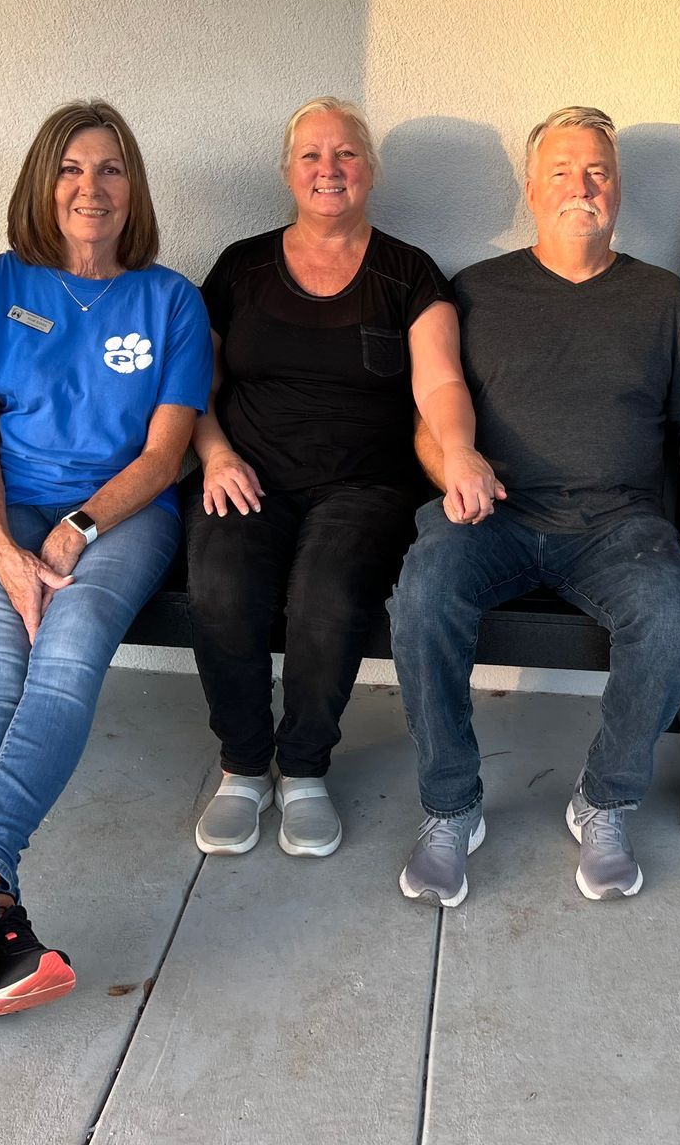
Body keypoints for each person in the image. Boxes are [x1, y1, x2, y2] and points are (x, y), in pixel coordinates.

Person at [0, 100, 211, 1022]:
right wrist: (1, 546)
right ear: (42, 181)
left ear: (133, 187)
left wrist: (76, 529)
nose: (89, 187)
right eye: (70, 168)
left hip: (122, 513)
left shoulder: (171, 300)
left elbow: (164, 455)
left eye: (110, 169)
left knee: (65, 659)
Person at [389, 107, 680, 907]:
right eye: (561, 171)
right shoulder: (477, 291)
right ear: (531, 189)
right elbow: (430, 419)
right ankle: (450, 807)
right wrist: (453, 469)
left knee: (672, 620)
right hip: (494, 516)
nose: (580, 186)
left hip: (618, 528)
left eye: (597, 171)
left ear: (618, 189)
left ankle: (604, 800)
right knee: (423, 595)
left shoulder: (661, 300)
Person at [187, 97, 497, 859]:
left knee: (327, 595)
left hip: (366, 485)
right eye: (312, 155)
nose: (330, 169)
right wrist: (216, 454)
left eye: (347, 153)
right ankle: (243, 767)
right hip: (246, 472)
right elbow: (192, 385)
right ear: (287, 172)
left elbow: (440, 383)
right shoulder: (241, 266)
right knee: (222, 584)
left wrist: (460, 451)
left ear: (371, 170)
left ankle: (303, 768)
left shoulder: (408, 272)